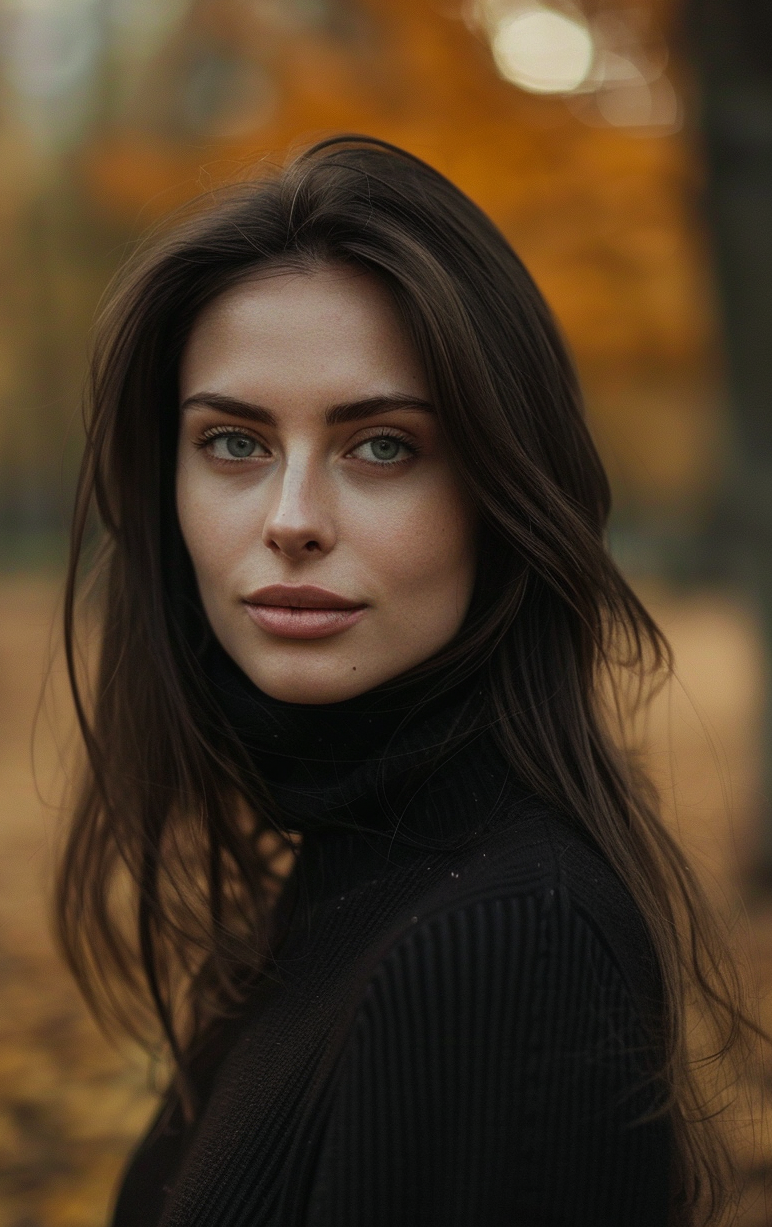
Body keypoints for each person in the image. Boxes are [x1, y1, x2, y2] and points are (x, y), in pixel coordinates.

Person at [57, 136, 751, 1226]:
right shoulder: (348, 873)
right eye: (233, 442)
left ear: (502, 491)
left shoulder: (502, 949)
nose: (289, 521)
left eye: (380, 447)